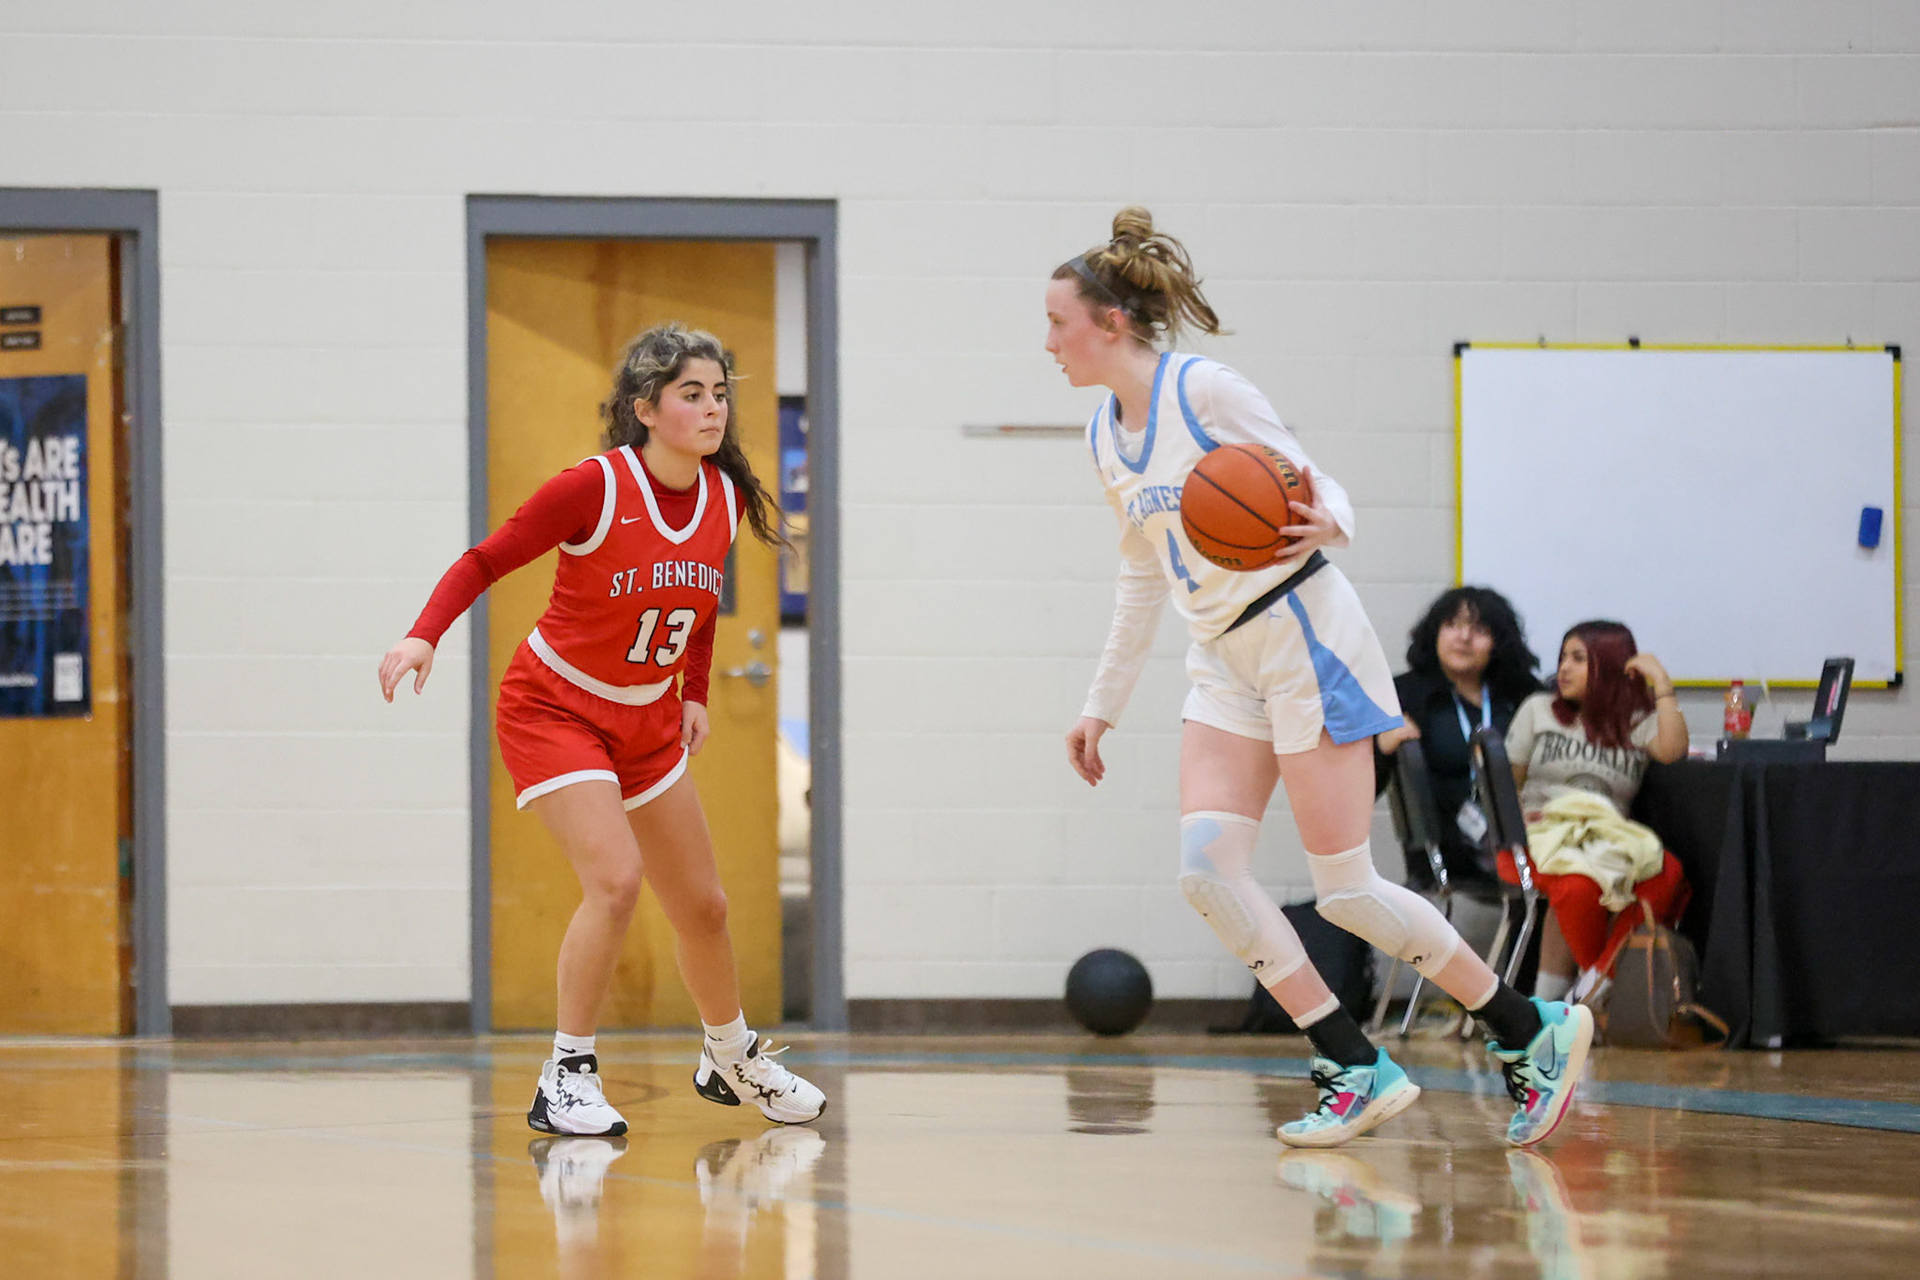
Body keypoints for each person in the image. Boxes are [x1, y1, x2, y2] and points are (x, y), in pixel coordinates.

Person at [1052, 207, 1592, 1149]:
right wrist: (1102, 705)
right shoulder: (1105, 434)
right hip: (1220, 654)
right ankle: (1352, 1060)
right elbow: (1142, 570)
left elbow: (1315, 482)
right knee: (1207, 872)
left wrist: (1326, 521)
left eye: (1058, 322)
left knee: (1344, 887)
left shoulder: (1203, 390)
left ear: (1110, 323)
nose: (1048, 342)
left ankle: (1529, 1030)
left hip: (1303, 631)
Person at [379, 323, 825, 1136]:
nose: (713, 408)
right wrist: (423, 632)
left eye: (720, 393)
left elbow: (697, 612)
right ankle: (566, 1074)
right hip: (556, 707)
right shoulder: (593, 486)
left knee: (706, 907)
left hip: (648, 718)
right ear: (645, 407)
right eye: (693, 393)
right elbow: (485, 559)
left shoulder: (721, 495)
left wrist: (691, 691)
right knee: (616, 881)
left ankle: (729, 1057)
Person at [1505, 621, 1690, 1003]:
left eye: (1578, 659)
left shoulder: (1635, 721)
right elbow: (1503, 784)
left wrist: (1662, 685)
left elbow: (1673, 750)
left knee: (1667, 872)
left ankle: (1588, 989)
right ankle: (1582, 999)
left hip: (1605, 839)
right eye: (1562, 658)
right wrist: (1516, 816)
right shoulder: (1538, 710)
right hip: (1541, 836)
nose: (1563, 669)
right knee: (1576, 884)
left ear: (1610, 666)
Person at [1375, 586, 1544, 887]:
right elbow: (1362, 788)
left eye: (1478, 629)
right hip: (1448, 843)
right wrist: (1383, 749)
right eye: (1452, 625)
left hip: (1528, 835)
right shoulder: (1405, 694)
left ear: (1499, 641)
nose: (1463, 638)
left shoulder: (1522, 694)